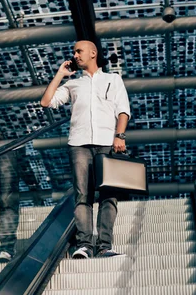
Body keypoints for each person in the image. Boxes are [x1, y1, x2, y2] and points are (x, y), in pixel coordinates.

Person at [40, 40, 130, 259]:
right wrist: (61, 74)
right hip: (79, 144)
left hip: (106, 143)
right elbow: (46, 102)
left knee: (108, 196)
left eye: (79, 51)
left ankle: (104, 245)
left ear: (93, 53)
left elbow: (123, 110)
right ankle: (85, 245)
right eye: (74, 52)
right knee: (83, 195)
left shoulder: (113, 79)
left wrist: (119, 136)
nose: (75, 55)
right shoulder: (73, 85)